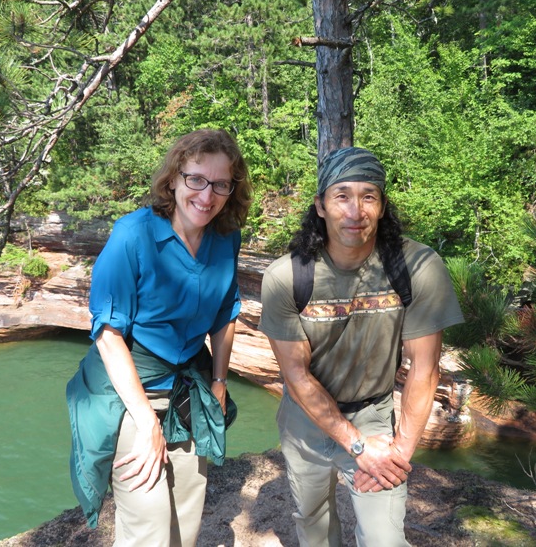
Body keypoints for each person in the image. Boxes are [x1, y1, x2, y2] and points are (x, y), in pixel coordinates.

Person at [259, 146, 464, 546]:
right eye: (342, 196)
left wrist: (398, 452)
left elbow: (424, 370)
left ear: (382, 206)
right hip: (305, 419)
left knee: (383, 539)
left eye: (368, 196)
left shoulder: (416, 267)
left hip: (374, 413)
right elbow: (296, 375)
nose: (356, 211)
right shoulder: (287, 277)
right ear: (320, 206)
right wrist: (354, 444)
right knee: (313, 523)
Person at [66, 128, 252, 547]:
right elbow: (109, 336)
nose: (207, 196)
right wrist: (147, 421)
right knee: (148, 526)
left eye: (221, 184)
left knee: (186, 518)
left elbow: (226, 313)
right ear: (173, 178)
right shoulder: (133, 235)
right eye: (196, 179)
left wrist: (220, 380)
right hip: (131, 387)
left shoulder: (225, 238)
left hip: (189, 384)